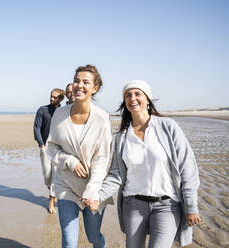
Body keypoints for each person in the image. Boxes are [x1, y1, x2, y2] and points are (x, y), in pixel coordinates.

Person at [86, 80, 201, 248]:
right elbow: (116, 174)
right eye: (128, 95)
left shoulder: (168, 127)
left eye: (137, 94)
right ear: (125, 102)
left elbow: (187, 169)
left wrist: (191, 206)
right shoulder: (121, 137)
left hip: (167, 205)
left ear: (148, 99)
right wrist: (97, 195)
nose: (133, 98)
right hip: (133, 204)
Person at [47, 65, 112, 248]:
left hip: (94, 188)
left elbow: (103, 158)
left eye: (85, 82)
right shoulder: (59, 115)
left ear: (95, 88)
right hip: (66, 185)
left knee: (93, 237)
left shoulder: (102, 118)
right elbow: (51, 148)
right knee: (69, 241)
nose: (79, 85)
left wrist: (92, 189)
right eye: (76, 81)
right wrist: (70, 161)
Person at [34, 88, 66, 213]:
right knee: (47, 177)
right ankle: (53, 191)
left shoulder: (64, 112)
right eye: (51, 96)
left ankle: (51, 201)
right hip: (45, 147)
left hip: (59, 148)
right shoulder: (43, 110)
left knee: (55, 177)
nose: (52, 99)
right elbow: (36, 128)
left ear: (61, 99)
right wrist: (41, 145)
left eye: (55, 97)